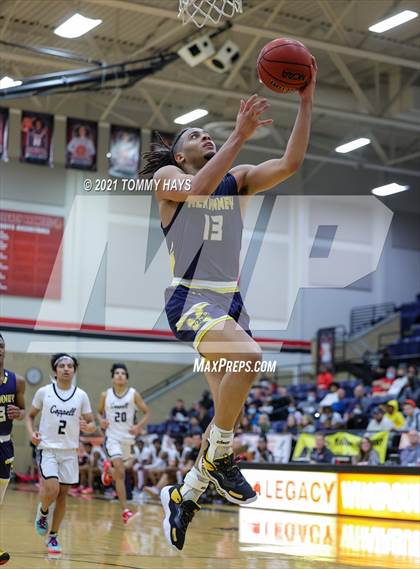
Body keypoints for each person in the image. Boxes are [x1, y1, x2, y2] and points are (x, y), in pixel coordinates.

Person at [140, 58, 317, 550]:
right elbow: (197, 189)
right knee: (250, 361)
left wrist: (306, 98)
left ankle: (186, 492)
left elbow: (290, 164)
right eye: (196, 135)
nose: (207, 137)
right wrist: (237, 134)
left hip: (231, 302)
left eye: (209, 134)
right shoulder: (170, 180)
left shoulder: (236, 179)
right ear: (177, 152)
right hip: (191, 296)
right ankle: (218, 461)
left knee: (226, 413)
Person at [25, 353, 96, 555]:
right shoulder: (44, 392)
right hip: (48, 449)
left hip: (69, 452)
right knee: (53, 490)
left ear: (74, 370)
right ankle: (43, 510)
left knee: (63, 495)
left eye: (70, 366)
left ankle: (53, 536)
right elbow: (30, 417)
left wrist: (88, 427)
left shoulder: (81, 395)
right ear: (55, 370)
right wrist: (31, 434)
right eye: (62, 365)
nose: (66, 368)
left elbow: (92, 423)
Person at [98, 362, 150, 524]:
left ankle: (108, 472)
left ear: (127, 379)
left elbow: (147, 412)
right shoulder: (105, 395)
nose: (120, 375)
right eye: (117, 373)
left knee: (124, 470)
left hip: (128, 438)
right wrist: (101, 421)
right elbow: (99, 413)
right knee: (120, 470)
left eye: (123, 374)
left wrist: (138, 426)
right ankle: (125, 510)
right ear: (113, 378)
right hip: (112, 437)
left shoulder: (133, 394)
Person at [0, 333, 25, 565]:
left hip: (5, 444)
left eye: (1, 346)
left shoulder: (16, 381)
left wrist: (18, 412)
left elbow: (23, 409)